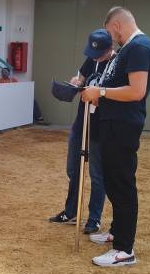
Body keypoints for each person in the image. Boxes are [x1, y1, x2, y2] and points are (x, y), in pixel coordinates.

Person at [81, 7, 150, 267]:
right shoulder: (130, 49)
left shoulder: (139, 47)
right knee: (113, 182)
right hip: (113, 125)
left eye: (111, 34)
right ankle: (117, 232)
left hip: (123, 127)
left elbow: (137, 91)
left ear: (116, 26)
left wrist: (100, 92)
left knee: (122, 184)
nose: (112, 39)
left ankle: (125, 249)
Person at [49, 29, 115, 234]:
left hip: (99, 126)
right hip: (81, 122)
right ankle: (71, 211)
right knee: (73, 170)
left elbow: (116, 93)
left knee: (97, 175)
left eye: (99, 54)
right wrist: (76, 82)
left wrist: (101, 95)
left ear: (109, 49)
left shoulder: (116, 64)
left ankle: (94, 218)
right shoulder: (91, 59)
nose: (94, 57)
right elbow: (81, 77)